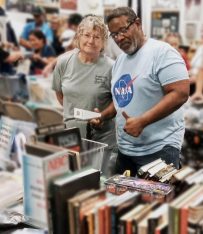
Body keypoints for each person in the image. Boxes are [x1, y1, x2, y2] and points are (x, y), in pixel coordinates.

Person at [105, 7, 189, 176]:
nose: (119, 38)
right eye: (114, 35)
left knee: (157, 201)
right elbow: (122, 100)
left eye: (123, 30)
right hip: (126, 150)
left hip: (159, 149)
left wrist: (143, 121)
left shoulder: (162, 52)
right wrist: (102, 116)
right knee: (122, 201)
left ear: (137, 24)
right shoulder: (120, 61)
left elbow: (180, 93)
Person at [52, 15, 116, 176]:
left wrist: (102, 115)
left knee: (99, 184)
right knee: (73, 182)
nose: (91, 41)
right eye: (87, 35)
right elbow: (61, 95)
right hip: (71, 137)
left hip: (102, 138)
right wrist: (74, 113)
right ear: (78, 36)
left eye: (97, 37)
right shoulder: (63, 62)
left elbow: (119, 102)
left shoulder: (112, 67)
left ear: (103, 42)